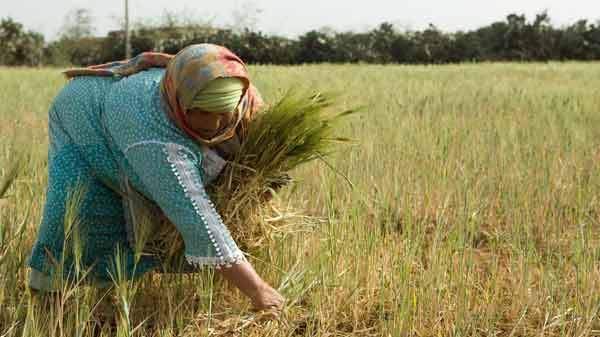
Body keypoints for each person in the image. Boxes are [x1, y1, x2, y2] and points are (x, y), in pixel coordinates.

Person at [27, 44, 285, 312]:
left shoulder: (240, 95)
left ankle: (106, 299)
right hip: (81, 114)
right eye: (203, 112)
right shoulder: (154, 137)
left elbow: (265, 155)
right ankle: (49, 299)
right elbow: (196, 217)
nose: (215, 124)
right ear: (181, 101)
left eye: (223, 113)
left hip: (123, 111)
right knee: (82, 204)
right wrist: (257, 289)